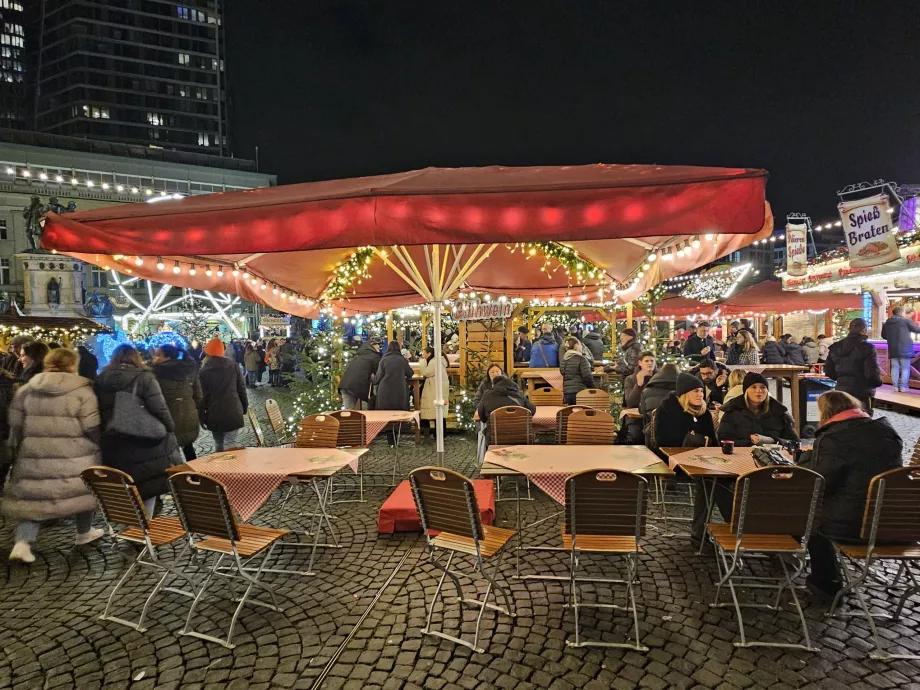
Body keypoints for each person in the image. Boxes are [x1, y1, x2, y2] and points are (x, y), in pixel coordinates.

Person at [798, 390, 902, 599]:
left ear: (826, 412)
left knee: (810, 515)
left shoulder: (835, 439)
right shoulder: (887, 432)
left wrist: (807, 456)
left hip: (855, 526)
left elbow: (818, 482)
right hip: (894, 522)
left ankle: (826, 583)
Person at [4, 348, 104, 563]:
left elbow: (15, 423)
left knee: (34, 497)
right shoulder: (82, 390)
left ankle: (23, 543)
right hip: (75, 453)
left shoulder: (28, 389)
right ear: (72, 365)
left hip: (35, 452)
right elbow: (91, 425)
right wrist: (97, 446)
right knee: (82, 493)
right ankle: (84, 532)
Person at [95, 345, 179, 516]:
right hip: (144, 439)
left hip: (114, 440)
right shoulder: (144, 378)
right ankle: (144, 525)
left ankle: (131, 523)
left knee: (125, 483)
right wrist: (169, 428)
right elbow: (160, 408)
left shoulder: (101, 380)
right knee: (147, 485)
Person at [717, 372, 798, 447]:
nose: (759, 391)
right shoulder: (732, 411)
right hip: (741, 454)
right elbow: (723, 439)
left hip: (774, 455)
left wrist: (771, 441)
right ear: (746, 391)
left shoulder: (779, 412)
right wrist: (750, 443)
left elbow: (795, 442)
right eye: (754, 387)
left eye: (763, 387)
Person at [151, 345, 202, 461]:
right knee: (188, 447)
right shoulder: (188, 370)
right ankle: (194, 471)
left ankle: (178, 472)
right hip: (189, 415)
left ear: (167, 357)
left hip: (170, 417)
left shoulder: (156, 374)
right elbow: (198, 396)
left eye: (158, 355)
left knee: (172, 451)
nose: (154, 357)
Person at [198, 337, 248, 452]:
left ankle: (219, 463)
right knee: (230, 442)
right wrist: (244, 406)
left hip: (214, 412)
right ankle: (230, 463)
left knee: (218, 442)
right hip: (233, 409)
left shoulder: (204, 370)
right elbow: (241, 388)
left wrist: (202, 416)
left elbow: (202, 397)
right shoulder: (233, 365)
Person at [824, 318, 882, 412]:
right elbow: (872, 372)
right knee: (863, 417)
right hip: (862, 390)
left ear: (849, 329)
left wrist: (842, 380)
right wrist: (877, 383)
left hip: (841, 389)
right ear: (864, 330)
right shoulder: (867, 348)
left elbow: (828, 370)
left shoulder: (836, 347)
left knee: (843, 416)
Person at [650, 373, 717, 450]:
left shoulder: (704, 413)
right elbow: (662, 444)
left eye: (701, 391)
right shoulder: (668, 410)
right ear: (685, 393)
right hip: (674, 454)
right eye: (696, 391)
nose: (701, 394)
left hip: (704, 454)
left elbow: (713, 442)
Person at [475, 373, 534, 442]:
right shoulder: (519, 394)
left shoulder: (487, 395)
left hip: (495, 439)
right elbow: (532, 411)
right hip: (522, 438)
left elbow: (482, 417)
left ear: (494, 385)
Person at [881, 305, 920, 392]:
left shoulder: (887, 322)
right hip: (905, 348)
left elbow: (883, 335)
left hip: (892, 348)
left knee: (895, 367)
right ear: (902, 312)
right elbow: (917, 330)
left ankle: (895, 387)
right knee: (905, 368)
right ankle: (903, 387)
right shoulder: (905, 321)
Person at [339, 338, 382, 409]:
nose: (379, 350)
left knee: (348, 411)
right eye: (378, 348)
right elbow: (378, 375)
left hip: (346, 384)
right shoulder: (374, 356)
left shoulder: (360, 354)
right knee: (353, 412)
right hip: (356, 387)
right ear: (372, 345)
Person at [419, 346, 449, 440]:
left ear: (429, 354)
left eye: (424, 353)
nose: (423, 355)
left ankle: (438, 434)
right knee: (439, 411)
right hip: (438, 388)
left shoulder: (434, 362)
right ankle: (440, 434)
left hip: (435, 388)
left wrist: (422, 362)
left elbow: (426, 372)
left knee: (436, 410)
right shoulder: (439, 360)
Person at [560, 336, 595, 405]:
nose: (581, 347)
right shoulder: (581, 359)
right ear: (576, 345)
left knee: (570, 411)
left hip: (567, 392)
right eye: (580, 345)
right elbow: (587, 376)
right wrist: (593, 388)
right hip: (580, 391)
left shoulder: (564, 359)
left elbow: (562, 372)